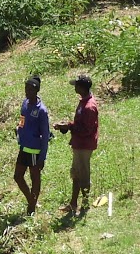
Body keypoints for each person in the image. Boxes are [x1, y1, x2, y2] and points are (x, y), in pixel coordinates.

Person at [54, 74, 99, 214]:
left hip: (84, 146)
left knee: (83, 175)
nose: (75, 88)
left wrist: (69, 127)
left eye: (77, 85)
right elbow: (81, 125)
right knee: (76, 174)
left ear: (82, 87)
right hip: (79, 144)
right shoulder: (83, 102)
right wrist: (67, 125)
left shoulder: (89, 107)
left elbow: (87, 130)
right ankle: (73, 203)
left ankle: (84, 205)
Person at [14, 76, 51, 215]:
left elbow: (46, 134)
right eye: (26, 88)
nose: (27, 92)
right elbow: (22, 119)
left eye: (30, 89)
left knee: (35, 178)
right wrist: (19, 130)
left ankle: (31, 207)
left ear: (36, 90)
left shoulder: (41, 110)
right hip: (23, 147)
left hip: (35, 150)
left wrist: (42, 156)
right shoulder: (25, 103)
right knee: (18, 176)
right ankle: (31, 200)